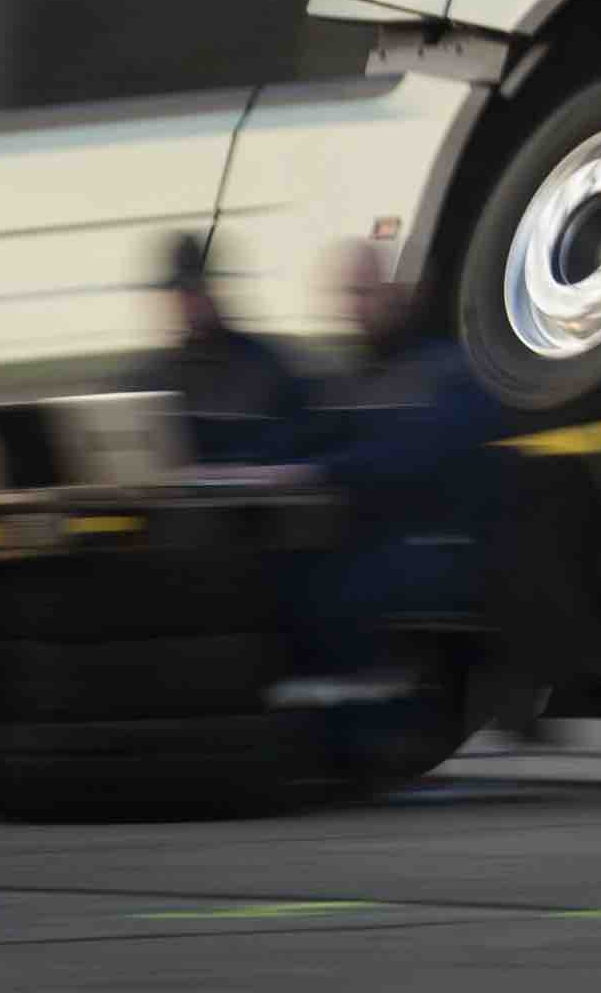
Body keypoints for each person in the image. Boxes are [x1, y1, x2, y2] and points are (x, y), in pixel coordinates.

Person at [267, 238, 515, 779]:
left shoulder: (448, 373)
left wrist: (321, 473)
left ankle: (374, 740)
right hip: (377, 543)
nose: (353, 305)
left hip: (436, 546)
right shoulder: (349, 382)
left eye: (364, 291)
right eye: (347, 293)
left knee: (339, 592)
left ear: (397, 292)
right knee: (289, 578)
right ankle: (338, 739)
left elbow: (411, 459)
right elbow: (298, 441)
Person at [158, 231, 323, 467]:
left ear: (216, 288)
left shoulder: (267, 363)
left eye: (197, 289)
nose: (190, 303)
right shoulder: (164, 373)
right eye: (183, 293)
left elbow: (302, 437)